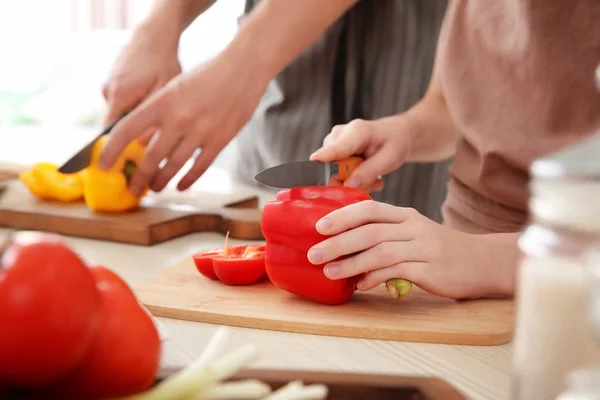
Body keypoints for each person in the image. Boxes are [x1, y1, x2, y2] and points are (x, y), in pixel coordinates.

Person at [306, 0, 600, 300]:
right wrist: (407, 131)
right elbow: (449, 103)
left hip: (572, 290)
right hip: (456, 257)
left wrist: (485, 261)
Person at [97, 0, 450, 222]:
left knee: (399, 268)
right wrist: (160, 23)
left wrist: (241, 66)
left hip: (406, 120)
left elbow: (447, 113)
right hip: (272, 123)